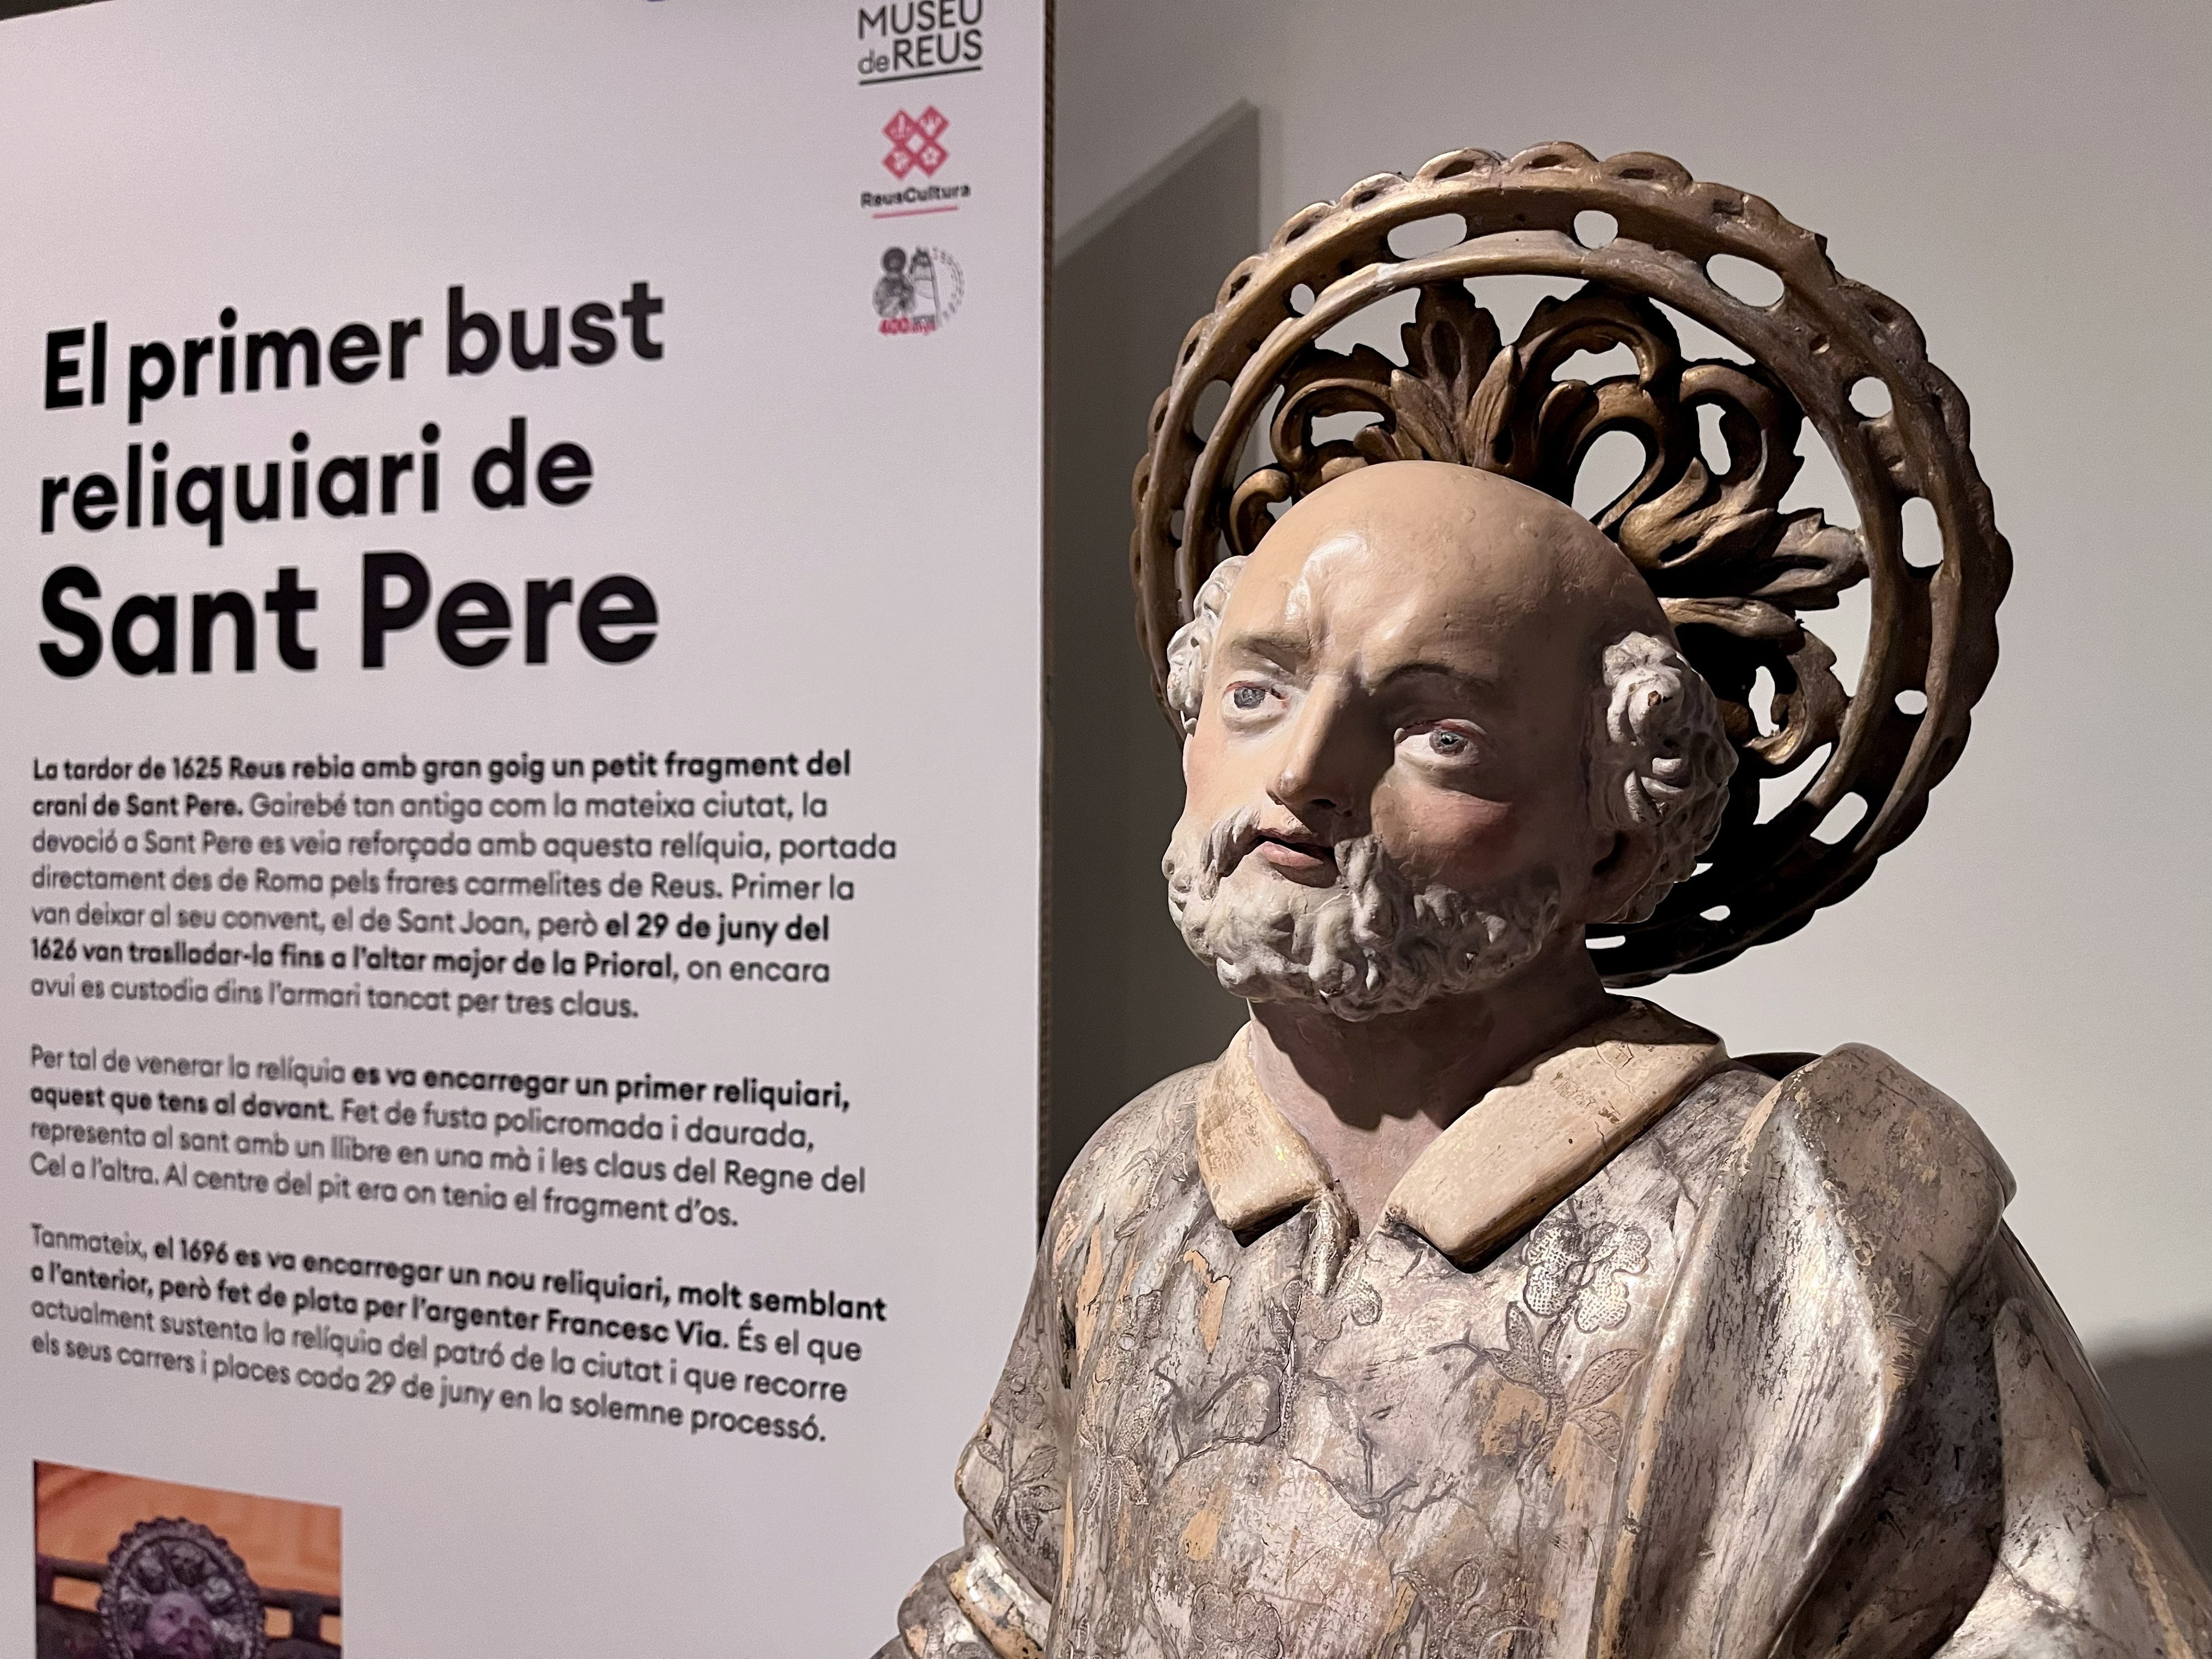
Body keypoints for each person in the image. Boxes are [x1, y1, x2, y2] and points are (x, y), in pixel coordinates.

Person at [877, 464, 2209, 1658]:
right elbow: (1013, 1602)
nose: (1303, 773)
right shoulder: (1134, 1179)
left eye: (1436, 734)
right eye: (1256, 694)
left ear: (1614, 831)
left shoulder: (1818, 1222)